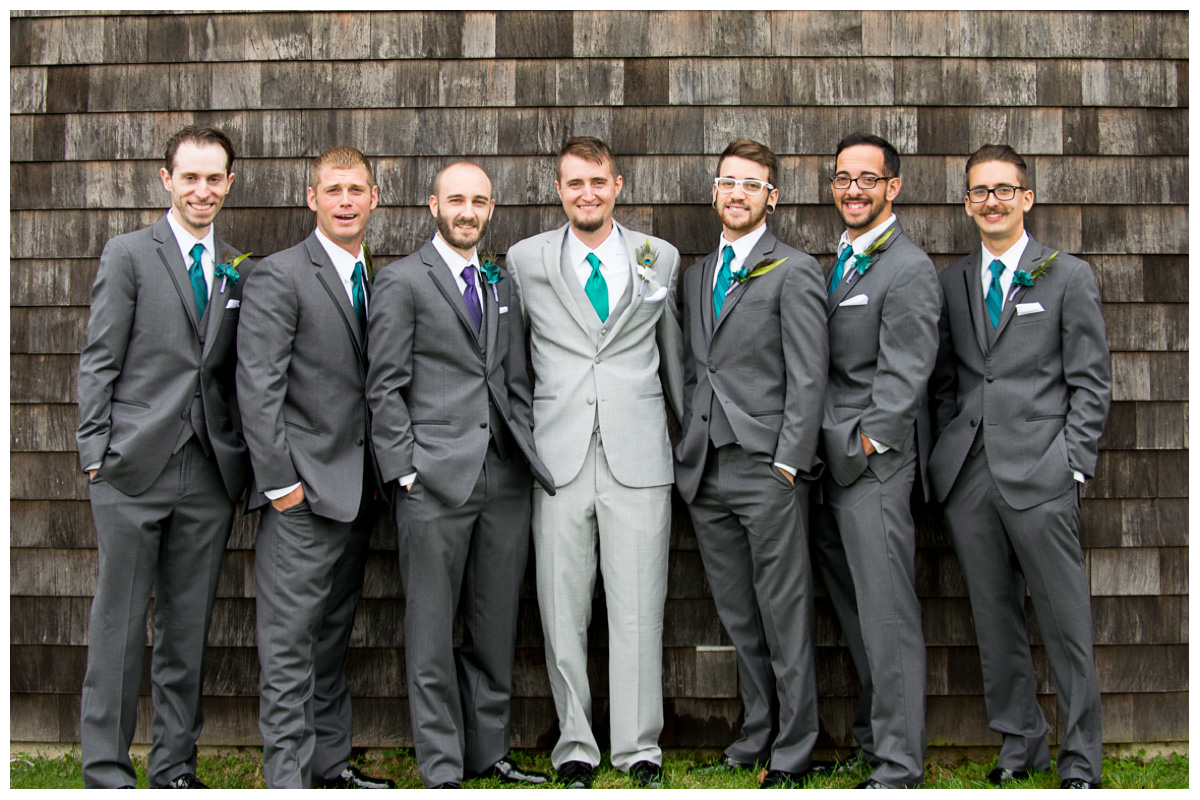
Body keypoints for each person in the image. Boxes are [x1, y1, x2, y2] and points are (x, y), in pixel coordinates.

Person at [366, 161, 555, 788]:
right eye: (456, 200)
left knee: (494, 624)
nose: (467, 211)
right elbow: (384, 387)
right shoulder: (400, 282)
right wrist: (405, 472)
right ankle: (443, 766)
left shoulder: (500, 283)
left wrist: (521, 447)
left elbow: (513, 379)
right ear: (432, 205)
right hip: (433, 483)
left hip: (501, 479)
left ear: (491, 208)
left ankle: (488, 752)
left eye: (478, 201)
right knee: (430, 630)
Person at [928, 144, 1111, 790]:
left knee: (1066, 622)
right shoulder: (950, 282)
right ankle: (1020, 743)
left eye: (1004, 190)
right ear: (968, 203)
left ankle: (1081, 757)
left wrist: (1073, 465)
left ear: (1026, 199)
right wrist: (951, 455)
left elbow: (1092, 383)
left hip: (1043, 475)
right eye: (979, 191)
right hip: (971, 479)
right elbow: (947, 381)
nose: (992, 202)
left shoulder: (1066, 276)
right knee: (993, 618)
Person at [505, 136, 684, 789]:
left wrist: (686, 443)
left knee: (640, 606)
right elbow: (514, 361)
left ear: (618, 185)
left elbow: (674, 358)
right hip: (557, 455)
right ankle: (576, 744)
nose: (587, 192)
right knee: (562, 606)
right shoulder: (525, 261)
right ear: (560, 189)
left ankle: (639, 746)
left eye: (598, 182)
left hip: (640, 454)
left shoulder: (657, 258)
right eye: (574, 182)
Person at [76, 124, 251, 789]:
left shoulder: (237, 264)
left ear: (228, 184)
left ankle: (175, 765)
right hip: (132, 468)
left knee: (187, 626)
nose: (202, 190)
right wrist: (97, 450)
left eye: (214, 178)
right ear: (166, 179)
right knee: (118, 625)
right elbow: (99, 359)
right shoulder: (128, 254)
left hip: (206, 472)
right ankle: (105, 767)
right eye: (191, 177)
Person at [237, 146, 393, 789]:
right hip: (299, 496)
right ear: (312, 198)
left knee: (330, 641)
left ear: (374, 198)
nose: (346, 201)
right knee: (289, 645)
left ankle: (330, 765)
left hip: (356, 494)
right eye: (334, 190)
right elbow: (258, 387)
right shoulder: (280, 275)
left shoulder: (374, 278)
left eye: (357, 189)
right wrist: (281, 485)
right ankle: (288, 779)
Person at [674, 139, 828, 788]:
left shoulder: (793, 270)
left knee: (784, 612)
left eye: (751, 184)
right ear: (716, 191)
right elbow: (693, 367)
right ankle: (756, 730)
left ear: (771, 197)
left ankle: (794, 747)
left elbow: (809, 373)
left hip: (767, 470)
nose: (737, 194)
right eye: (728, 182)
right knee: (739, 614)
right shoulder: (695, 274)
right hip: (706, 471)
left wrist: (789, 463)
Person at [809, 132, 941, 788]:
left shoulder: (907, 267)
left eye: (868, 178)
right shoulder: (843, 259)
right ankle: (872, 737)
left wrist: (866, 446)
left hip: (874, 472)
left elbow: (906, 373)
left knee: (887, 616)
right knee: (858, 615)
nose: (853, 188)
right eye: (842, 177)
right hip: (831, 469)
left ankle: (898, 764)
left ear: (894, 186)